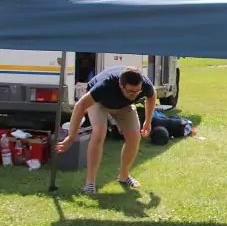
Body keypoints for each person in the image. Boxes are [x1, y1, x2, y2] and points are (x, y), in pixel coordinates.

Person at [57, 65, 156, 193]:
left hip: (124, 106)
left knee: (134, 135)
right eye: (130, 91)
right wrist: (71, 137)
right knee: (99, 132)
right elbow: (80, 106)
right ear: (121, 85)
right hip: (99, 103)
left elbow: (152, 97)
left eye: (137, 91)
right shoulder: (105, 85)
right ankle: (90, 183)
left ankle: (124, 176)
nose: (135, 94)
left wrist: (148, 122)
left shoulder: (144, 85)